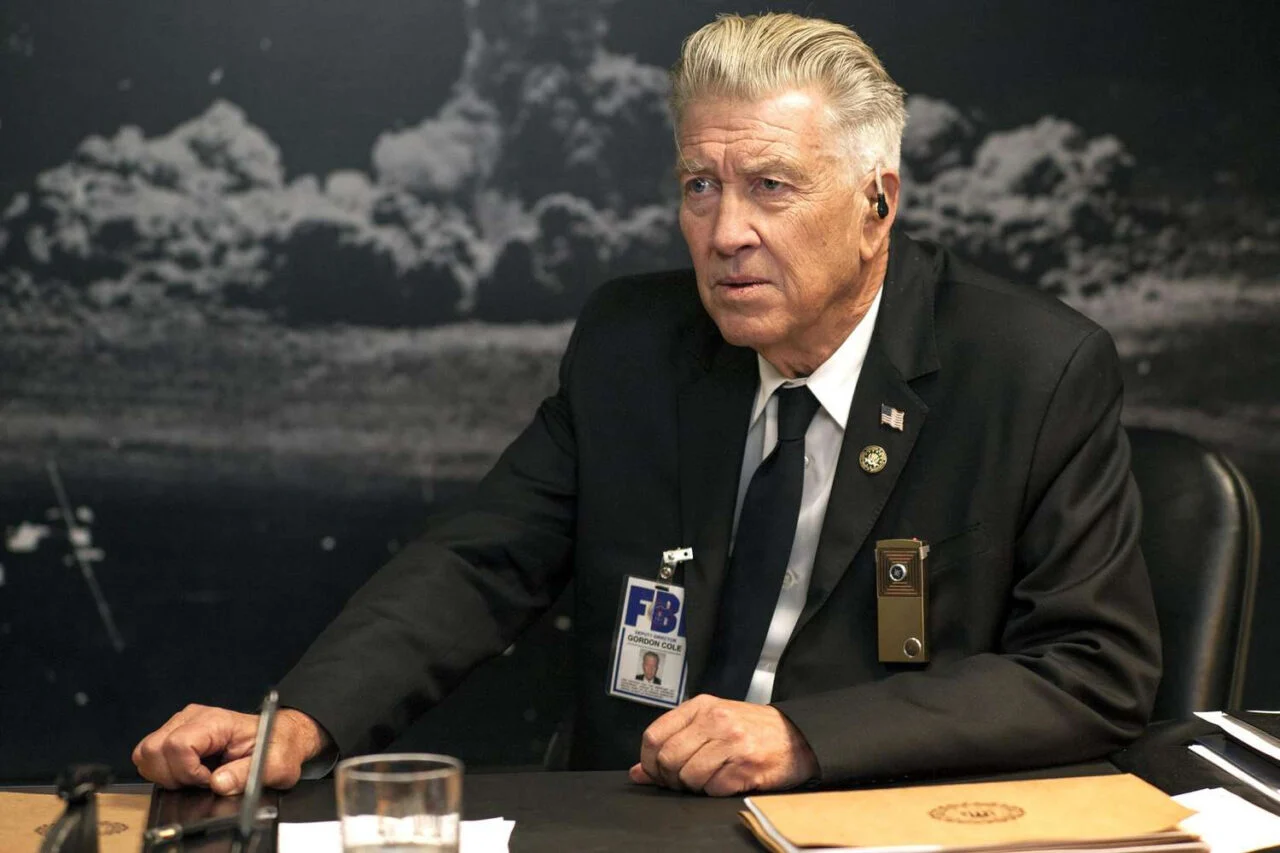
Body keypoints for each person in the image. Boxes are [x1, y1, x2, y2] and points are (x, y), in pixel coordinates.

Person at [132, 12, 1160, 799]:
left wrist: (806, 738)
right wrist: (302, 721)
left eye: (770, 186)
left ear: (876, 203)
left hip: (868, 817)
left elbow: (1093, 669)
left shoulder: (1029, 370)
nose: (725, 232)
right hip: (636, 816)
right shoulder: (633, 345)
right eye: (699, 186)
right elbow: (479, 562)